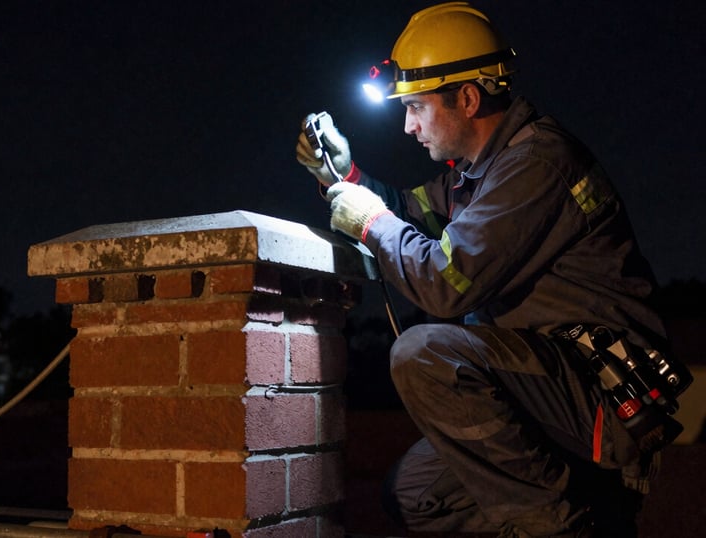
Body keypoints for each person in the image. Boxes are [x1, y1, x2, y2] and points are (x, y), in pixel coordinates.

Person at [295, 3, 688, 537]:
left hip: (598, 396)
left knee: (424, 354)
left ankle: (561, 527)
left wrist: (370, 224)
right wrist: (345, 174)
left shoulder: (538, 166)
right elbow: (408, 215)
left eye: (416, 107)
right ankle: (575, 514)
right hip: (544, 384)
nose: (408, 126)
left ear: (469, 98)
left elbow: (444, 282)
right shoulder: (483, 174)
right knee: (415, 496)